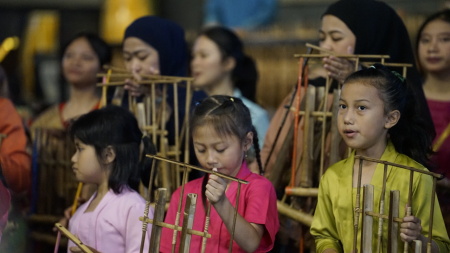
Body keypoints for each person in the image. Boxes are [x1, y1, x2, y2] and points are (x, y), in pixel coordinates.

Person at [262, 0, 434, 184]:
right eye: (322, 38)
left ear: (369, 37)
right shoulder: (311, 88)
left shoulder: (400, 91)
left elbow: (411, 139)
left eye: (336, 38)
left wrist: (360, 78)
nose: (325, 47)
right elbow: (273, 150)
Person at [310, 64, 450, 252]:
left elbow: (442, 246)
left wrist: (420, 239)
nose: (347, 117)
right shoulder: (333, 176)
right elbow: (325, 236)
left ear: (390, 118)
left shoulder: (415, 176)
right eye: (343, 106)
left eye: (361, 107)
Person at [160, 95, 279, 252]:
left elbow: (252, 244)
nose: (210, 159)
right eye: (201, 149)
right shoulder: (183, 194)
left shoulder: (259, 188)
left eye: (220, 149)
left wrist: (222, 203)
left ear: (246, 142)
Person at [67, 105, 153, 253]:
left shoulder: (134, 208)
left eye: (80, 149)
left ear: (108, 155)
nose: (73, 158)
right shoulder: (80, 211)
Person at [122, 15, 206, 146]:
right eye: (127, 58)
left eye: (142, 57)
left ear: (167, 54)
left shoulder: (195, 100)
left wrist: (156, 98)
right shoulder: (124, 95)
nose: (134, 67)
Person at [191, 26, 269, 147]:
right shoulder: (192, 109)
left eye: (203, 55)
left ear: (228, 63)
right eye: (194, 56)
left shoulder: (254, 116)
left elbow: (264, 163)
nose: (195, 63)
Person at [31, 32, 111, 130]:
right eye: (69, 56)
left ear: (103, 69)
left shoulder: (108, 117)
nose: (75, 62)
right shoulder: (46, 120)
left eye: (86, 57)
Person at [415, 8, 450, 236]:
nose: (432, 47)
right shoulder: (403, 99)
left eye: (445, 39)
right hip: (414, 218)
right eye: (425, 40)